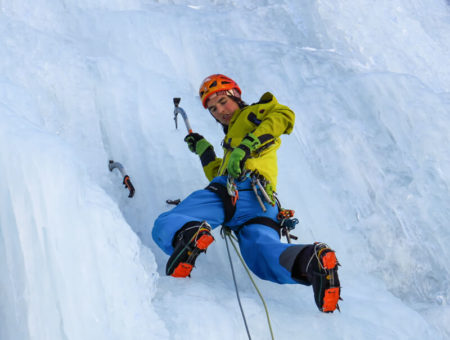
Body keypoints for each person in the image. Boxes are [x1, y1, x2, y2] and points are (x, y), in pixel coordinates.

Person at [152, 74, 341, 313]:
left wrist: (247, 146)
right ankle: (312, 260)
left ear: (236, 96)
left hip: (235, 190)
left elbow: (283, 115)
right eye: (213, 109)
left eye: (223, 101)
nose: (220, 110)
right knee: (262, 257)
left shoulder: (251, 114)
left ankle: (187, 235)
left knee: (167, 223)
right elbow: (220, 171)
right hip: (261, 204)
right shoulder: (232, 140)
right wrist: (205, 151)